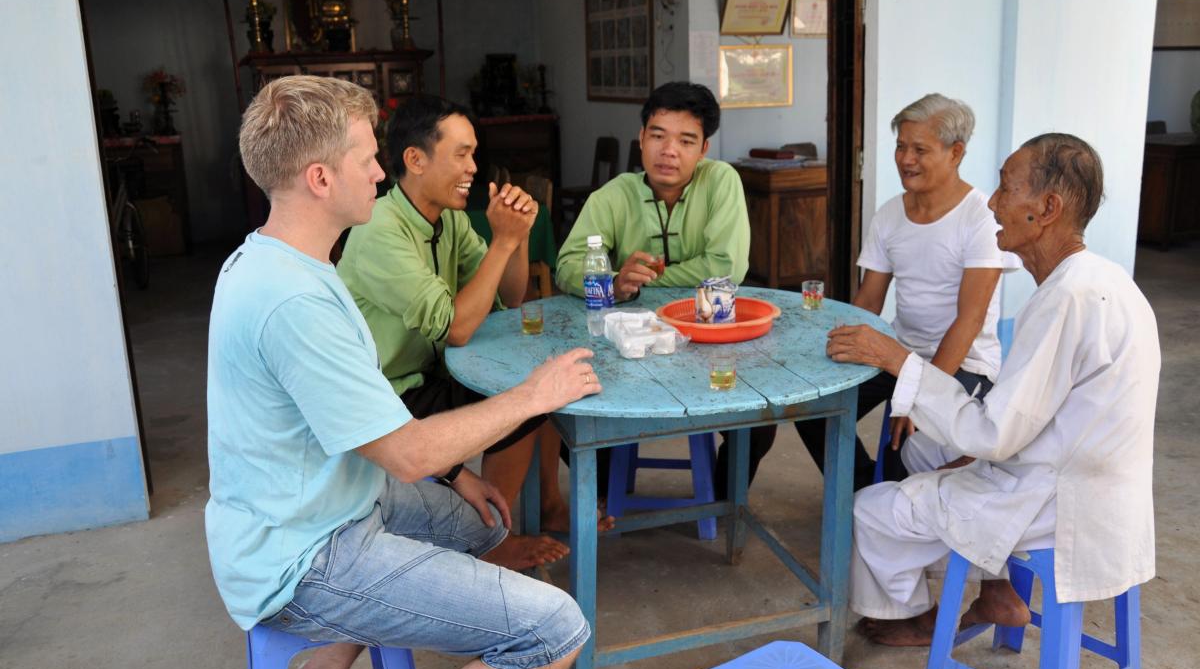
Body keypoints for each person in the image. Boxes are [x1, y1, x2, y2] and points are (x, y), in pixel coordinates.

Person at [206, 75, 600, 669]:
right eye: (367, 160)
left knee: (486, 525)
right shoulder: (292, 300)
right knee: (555, 628)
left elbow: (370, 428)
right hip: (304, 556)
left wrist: (456, 473)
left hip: (334, 501)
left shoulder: (289, 260)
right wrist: (533, 395)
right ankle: (337, 641)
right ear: (320, 178)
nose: (379, 174)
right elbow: (409, 454)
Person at [827, 133, 1160, 646]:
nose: (992, 202)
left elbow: (994, 435)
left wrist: (896, 359)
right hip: (1092, 481)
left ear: (1047, 209)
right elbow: (1036, 415)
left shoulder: (1066, 299)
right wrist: (973, 451)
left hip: (1061, 501)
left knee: (870, 508)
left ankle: (912, 616)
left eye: (1006, 188)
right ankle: (996, 589)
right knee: (919, 449)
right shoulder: (1102, 279)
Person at [337, 95, 604, 562]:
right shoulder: (381, 229)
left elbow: (511, 295)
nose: (473, 168)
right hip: (387, 394)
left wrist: (517, 235)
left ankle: (540, 508)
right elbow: (458, 329)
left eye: (474, 154)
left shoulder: (450, 221)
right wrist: (501, 243)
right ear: (415, 159)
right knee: (522, 401)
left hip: (433, 373)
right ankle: (488, 541)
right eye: (461, 154)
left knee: (544, 382)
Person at [555, 81, 771, 499]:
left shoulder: (720, 181)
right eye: (658, 136)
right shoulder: (614, 195)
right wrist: (613, 282)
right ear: (641, 139)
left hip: (710, 341)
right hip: (629, 348)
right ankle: (607, 500)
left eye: (685, 141)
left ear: (703, 148)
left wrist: (645, 278)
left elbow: (727, 267)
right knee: (568, 411)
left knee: (760, 422)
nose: (669, 151)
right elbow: (567, 265)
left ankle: (720, 505)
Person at [797, 93, 1016, 491]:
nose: (906, 159)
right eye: (901, 147)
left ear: (955, 153)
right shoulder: (889, 214)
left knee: (904, 451)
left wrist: (922, 393)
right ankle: (865, 492)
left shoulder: (981, 218)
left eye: (920, 149)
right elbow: (868, 301)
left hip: (964, 363)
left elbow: (969, 320)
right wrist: (837, 351)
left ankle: (884, 497)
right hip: (896, 353)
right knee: (812, 408)